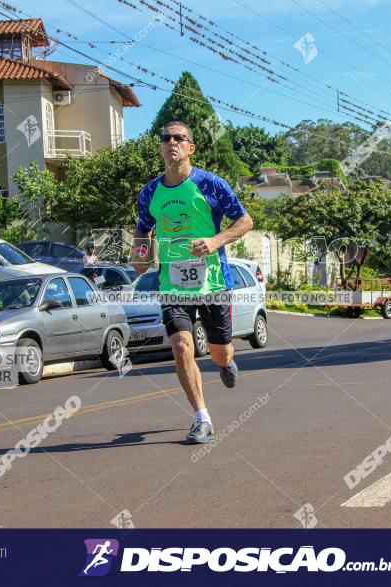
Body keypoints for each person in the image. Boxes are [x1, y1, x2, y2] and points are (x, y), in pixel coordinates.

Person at [131, 121, 254, 445]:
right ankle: (202, 418)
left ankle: (226, 363)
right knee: (182, 345)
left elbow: (245, 221)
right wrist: (140, 255)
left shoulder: (212, 185)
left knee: (220, 354)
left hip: (212, 283)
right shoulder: (149, 192)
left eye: (179, 138)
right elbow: (143, 229)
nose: (171, 142)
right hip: (172, 284)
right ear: (160, 147)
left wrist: (216, 241)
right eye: (165, 138)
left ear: (190, 147)